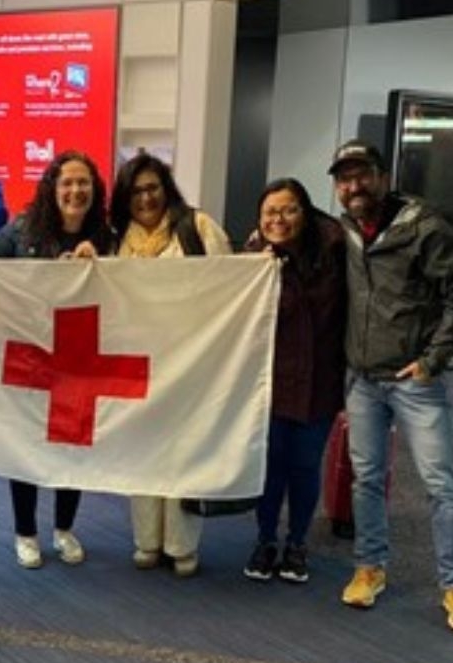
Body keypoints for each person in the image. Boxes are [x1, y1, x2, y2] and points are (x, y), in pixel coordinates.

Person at [328, 139, 453, 626]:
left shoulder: (425, 227)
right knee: (367, 479)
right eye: (344, 179)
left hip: (414, 380)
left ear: (382, 176)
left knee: (441, 484)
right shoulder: (344, 231)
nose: (353, 186)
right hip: (362, 378)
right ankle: (370, 567)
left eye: (361, 175)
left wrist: (433, 360)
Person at [0, 150, 114, 568]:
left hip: (80, 359)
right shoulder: (23, 229)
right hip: (32, 357)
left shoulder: (107, 235)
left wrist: (100, 265)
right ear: (52, 187)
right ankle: (26, 532)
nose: (75, 190)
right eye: (67, 182)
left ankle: (64, 529)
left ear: (94, 189)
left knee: (73, 448)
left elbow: (130, 290)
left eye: (83, 182)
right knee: (27, 447)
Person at [109, 152, 232, 578]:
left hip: (189, 360)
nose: (145, 197)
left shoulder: (196, 228)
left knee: (183, 451)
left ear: (167, 188)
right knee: (144, 450)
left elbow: (229, 285)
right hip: (137, 362)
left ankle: (182, 546)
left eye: (152, 187)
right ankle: (147, 541)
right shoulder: (116, 238)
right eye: (136, 190)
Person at [241, 178, 346, 583]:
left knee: (304, 466)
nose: (278, 219)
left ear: (306, 212)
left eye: (288, 210)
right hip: (270, 385)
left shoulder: (335, 252)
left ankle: (297, 543)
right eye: (269, 212)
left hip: (319, 383)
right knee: (270, 468)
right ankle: (266, 540)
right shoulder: (253, 260)